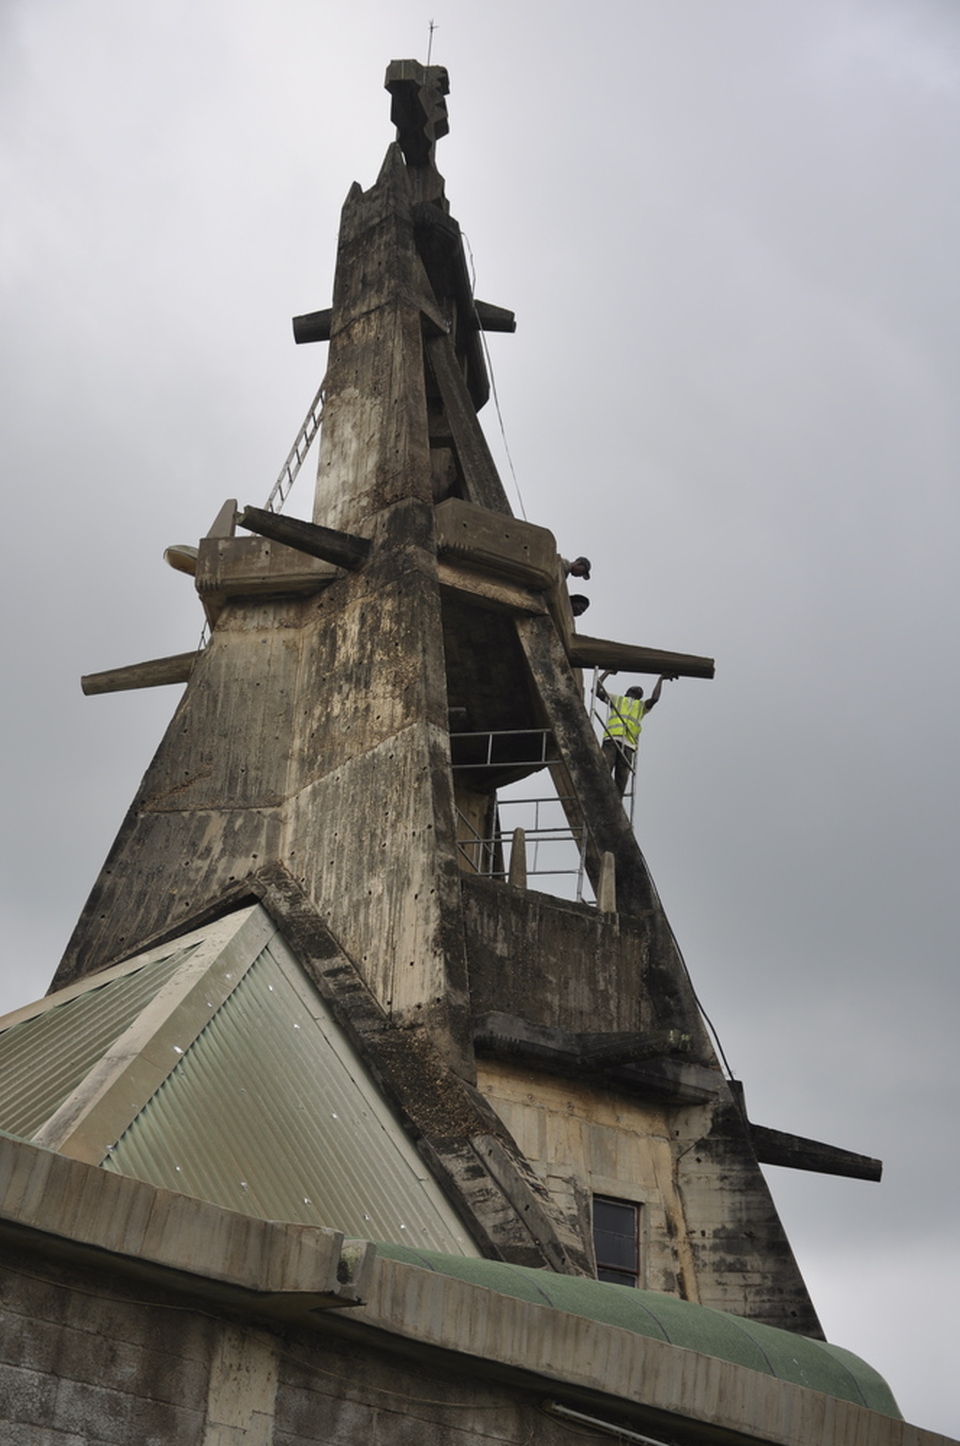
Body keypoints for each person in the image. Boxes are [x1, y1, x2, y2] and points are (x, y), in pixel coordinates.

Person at [597, 671, 675, 795]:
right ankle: (600, 795)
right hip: (612, 739)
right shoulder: (618, 699)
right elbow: (596, 688)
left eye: (639, 691)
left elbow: (654, 699)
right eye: (634, 689)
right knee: (603, 770)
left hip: (628, 745)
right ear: (627, 692)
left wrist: (660, 679)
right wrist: (607, 672)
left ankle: (615, 804)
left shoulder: (641, 706)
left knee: (621, 781)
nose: (638, 689)